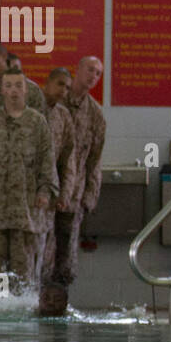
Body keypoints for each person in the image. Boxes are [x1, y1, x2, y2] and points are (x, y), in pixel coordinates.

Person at [0, 69, 58, 286]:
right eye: (8, 86)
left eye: (18, 86)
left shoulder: (37, 122)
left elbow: (48, 160)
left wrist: (45, 191)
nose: (13, 91)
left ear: (26, 90)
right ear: (1, 90)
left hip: (26, 210)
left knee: (24, 270)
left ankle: (23, 310)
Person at [54, 56, 106, 286]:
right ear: (77, 69)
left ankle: (60, 302)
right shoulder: (56, 100)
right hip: (46, 191)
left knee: (65, 256)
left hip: (74, 196)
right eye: (90, 70)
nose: (93, 76)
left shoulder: (96, 115)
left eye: (98, 73)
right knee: (40, 252)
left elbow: (95, 161)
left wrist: (89, 198)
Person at [37, 68, 77, 285]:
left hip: (50, 197)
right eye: (60, 84)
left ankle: (43, 300)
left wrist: (65, 193)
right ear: (48, 83)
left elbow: (69, 159)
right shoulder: (31, 109)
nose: (64, 91)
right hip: (28, 196)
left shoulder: (63, 116)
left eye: (68, 87)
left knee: (48, 253)